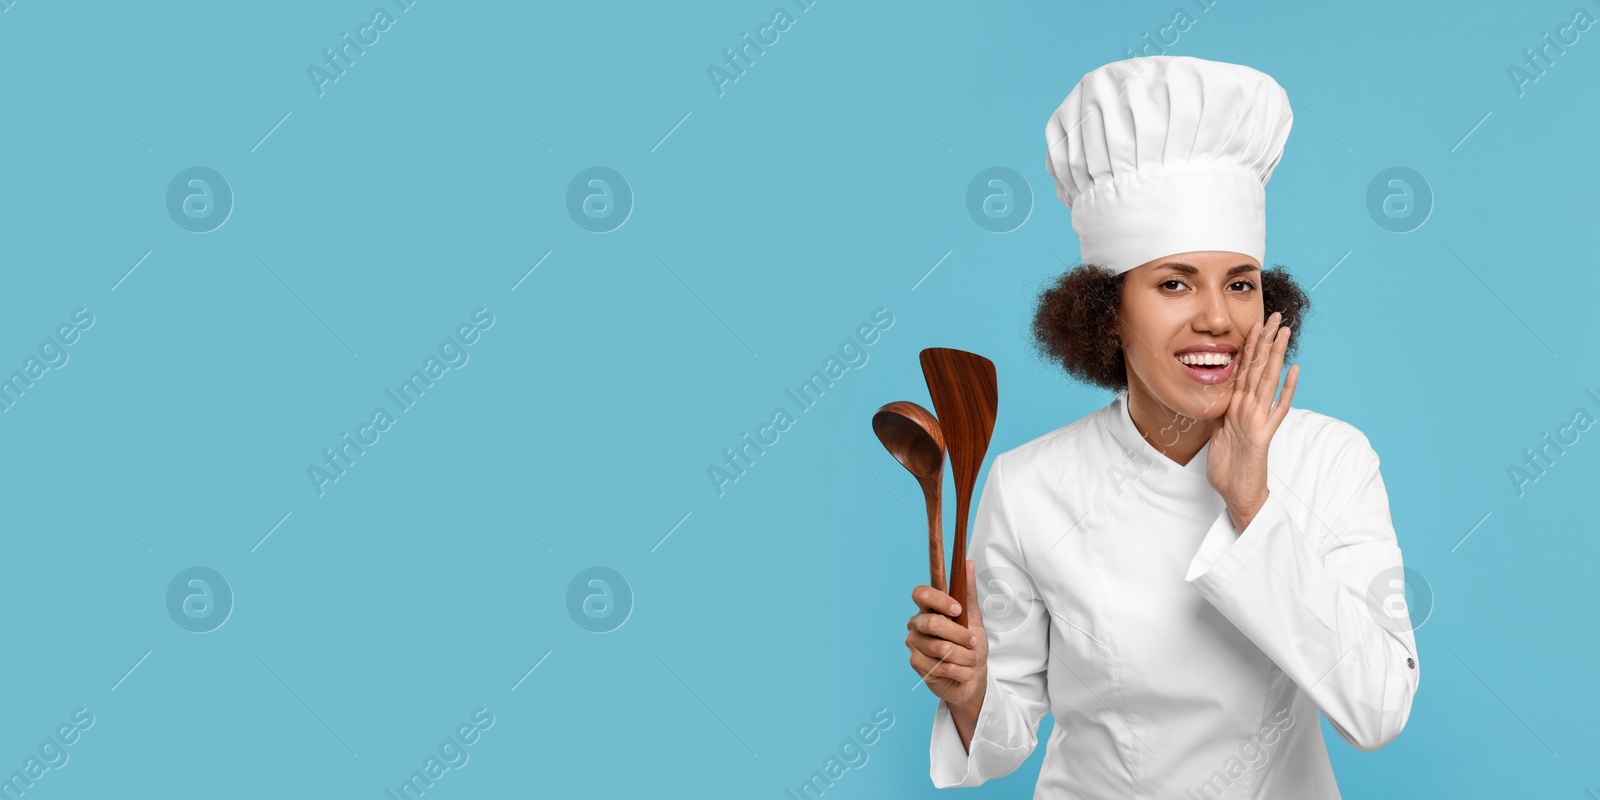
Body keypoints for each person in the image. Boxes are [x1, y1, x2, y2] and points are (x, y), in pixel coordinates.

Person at [906, 55, 1420, 798]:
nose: (1217, 317)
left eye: (1240, 284)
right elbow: (1005, 732)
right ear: (1106, 312)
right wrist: (968, 689)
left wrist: (1252, 505)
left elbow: (1379, 709)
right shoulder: (1029, 484)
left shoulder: (1330, 459)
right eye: (1174, 282)